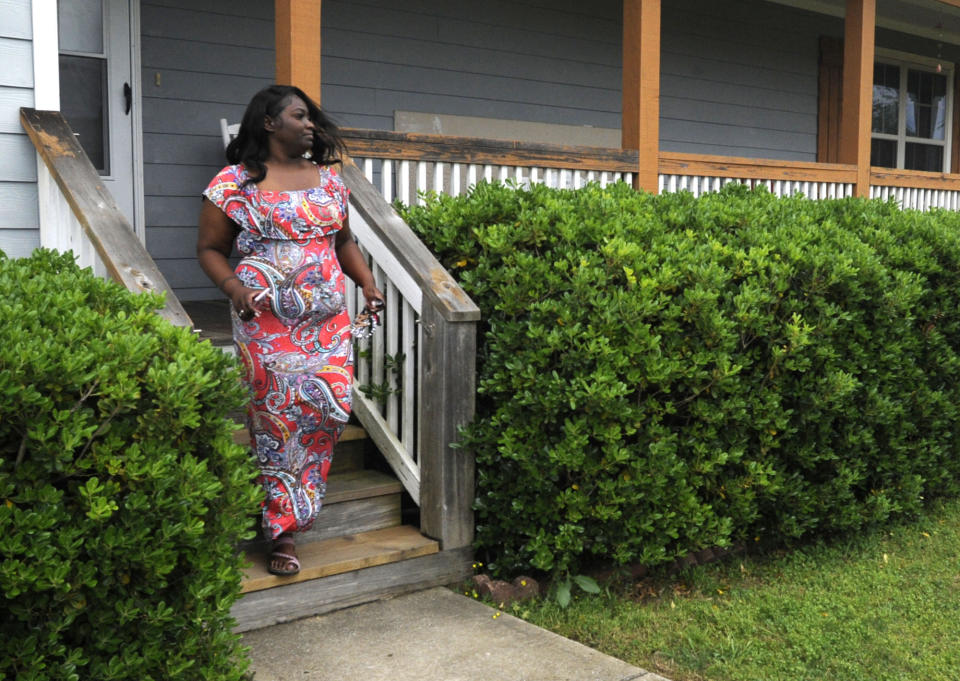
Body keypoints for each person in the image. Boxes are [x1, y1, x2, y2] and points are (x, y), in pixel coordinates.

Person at [197, 85, 383, 576]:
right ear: (268, 122)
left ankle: (296, 510)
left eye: (312, 119)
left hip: (326, 322)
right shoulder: (233, 182)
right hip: (266, 321)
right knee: (276, 423)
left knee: (332, 406)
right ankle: (281, 532)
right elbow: (210, 249)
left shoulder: (327, 181)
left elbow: (342, 242)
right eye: (300, 116)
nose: (310, 126)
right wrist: (234, 287)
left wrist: (366, 284)